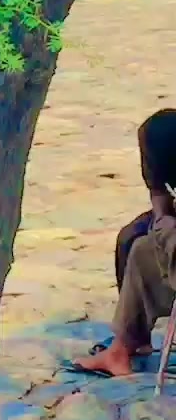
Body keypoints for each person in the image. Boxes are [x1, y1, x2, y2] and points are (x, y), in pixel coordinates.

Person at [74, 108, 176, 377]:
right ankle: (135, 338)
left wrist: (165, 232)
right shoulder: (159, 161)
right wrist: (161, 218)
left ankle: (120, 349)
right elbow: (158, 192)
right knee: (130, 237)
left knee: (143, 252)